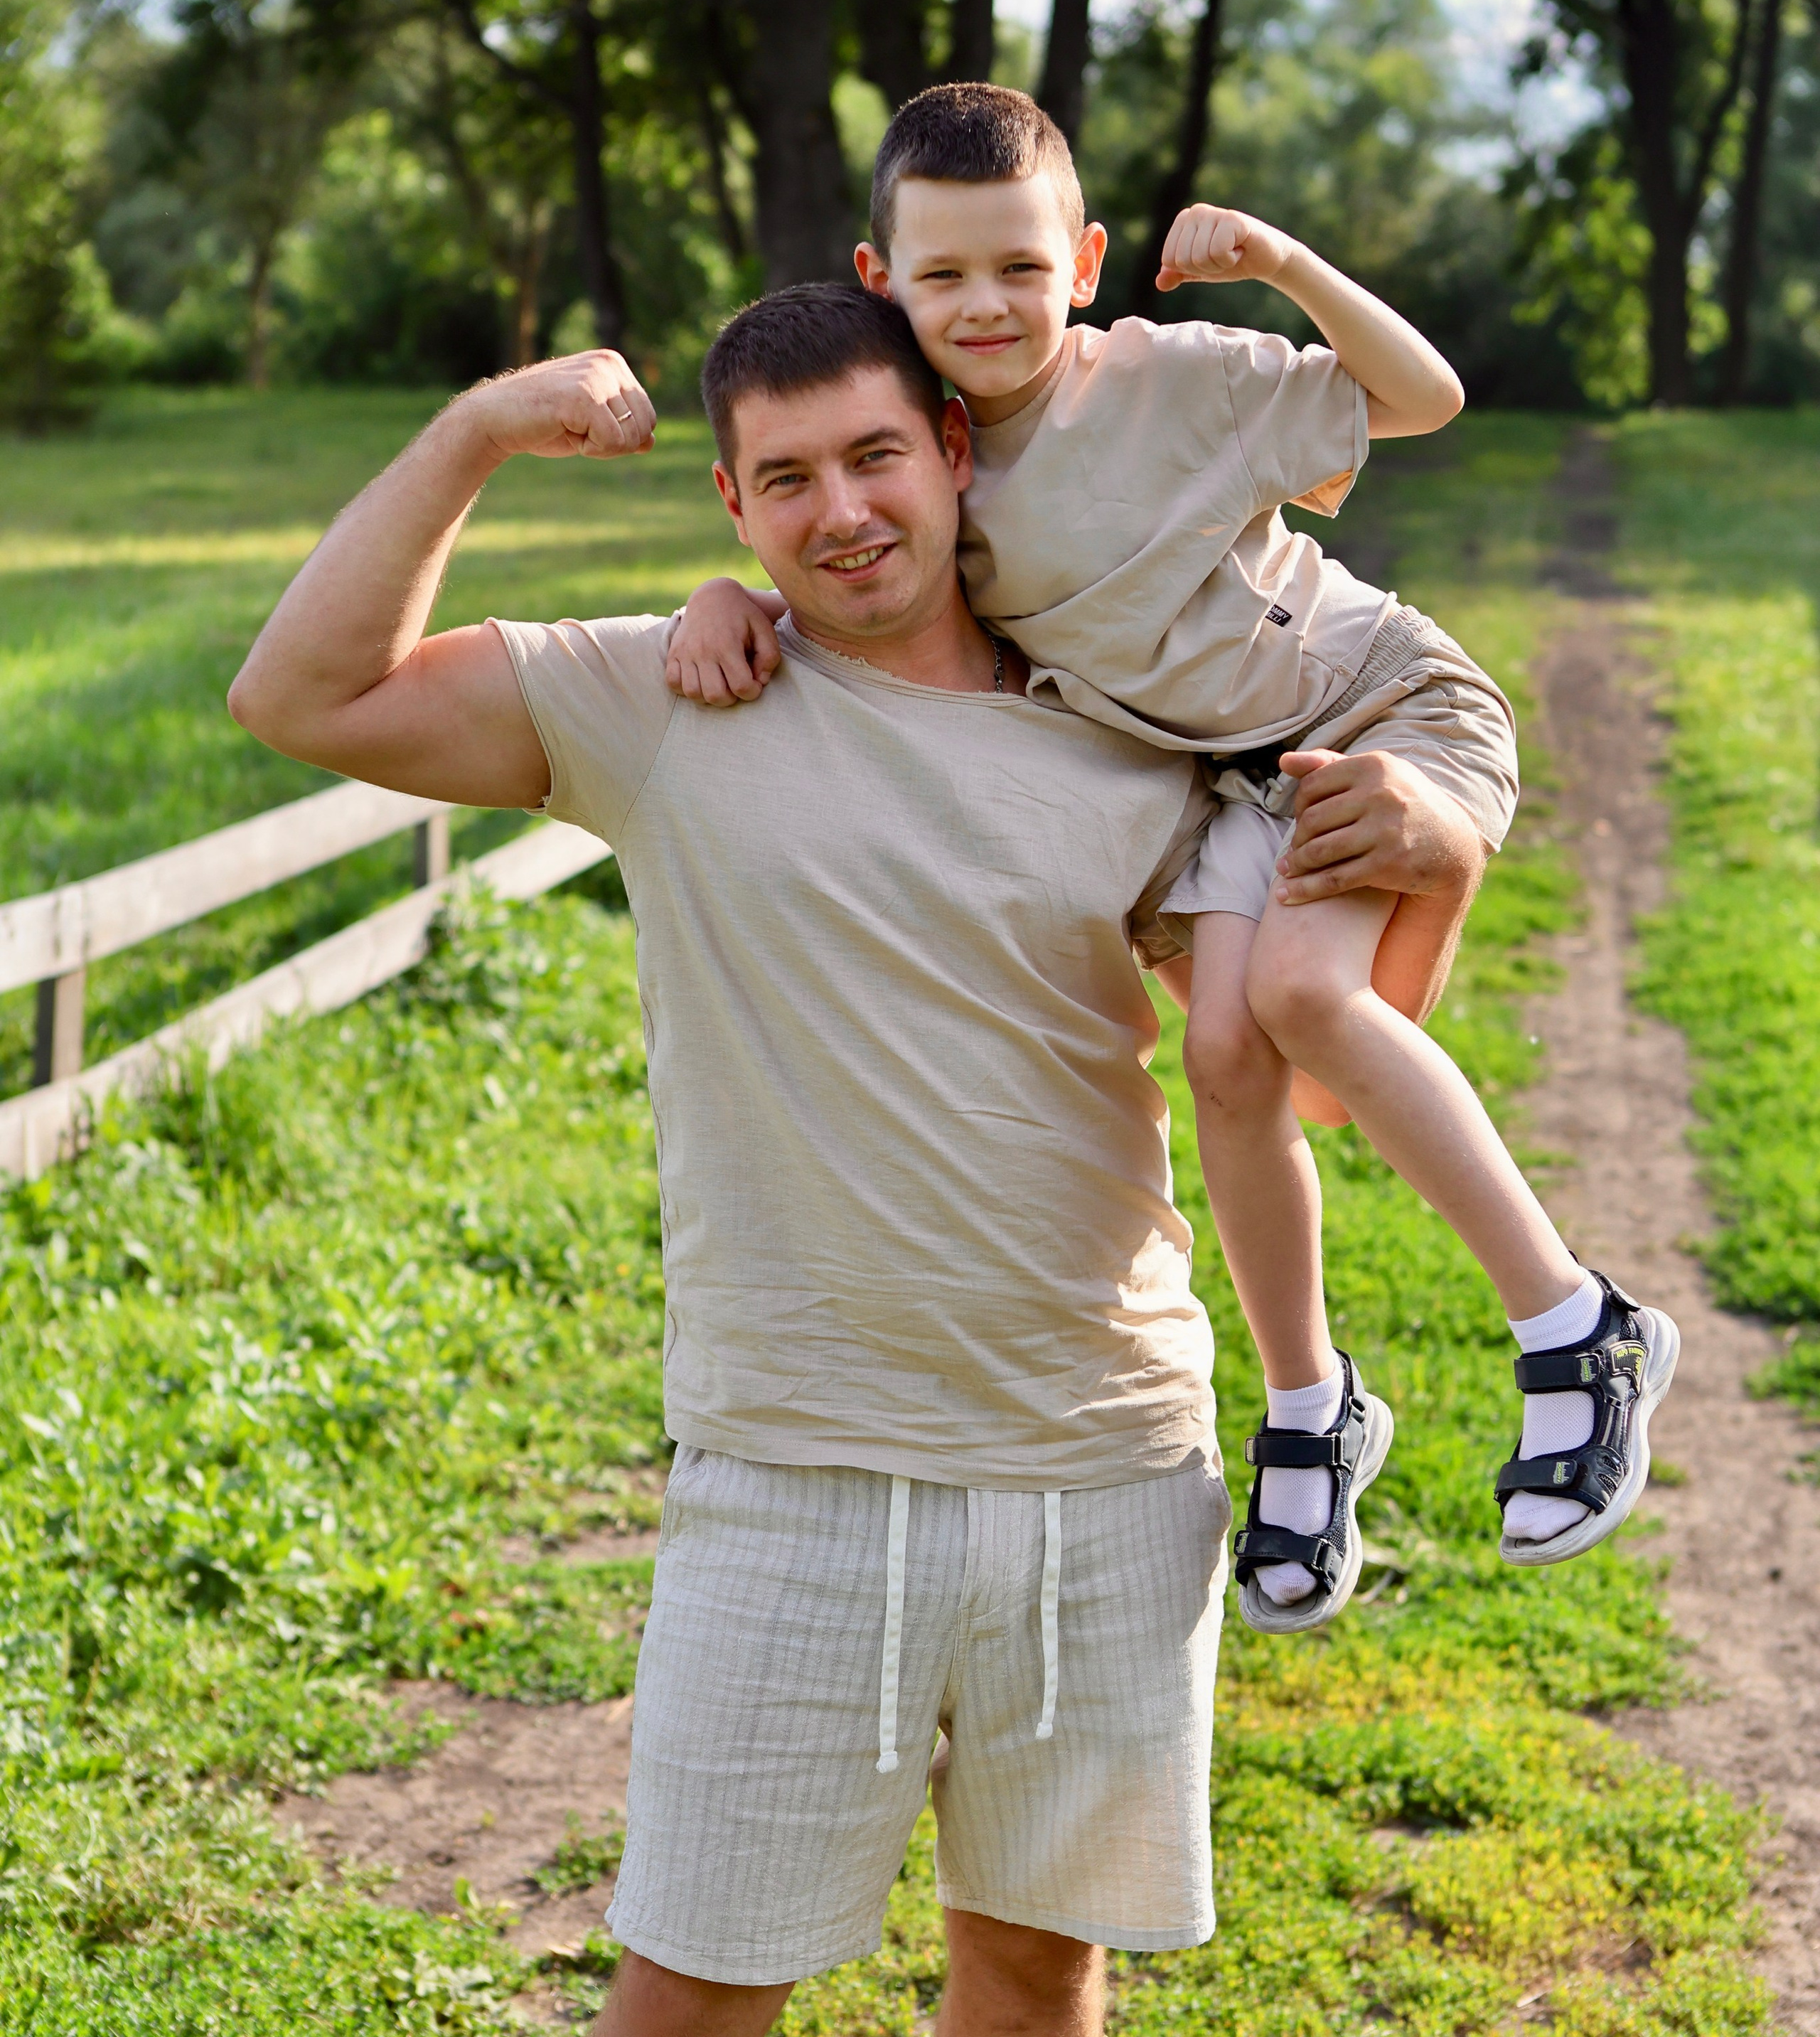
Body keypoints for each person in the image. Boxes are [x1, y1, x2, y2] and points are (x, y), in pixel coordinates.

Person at [226, 288, 1478, 2037]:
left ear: (956, 453)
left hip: (1104, 1463)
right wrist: (474, 428)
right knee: (686, 2004)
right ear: (729, 501)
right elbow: (302, 697)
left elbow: (1305, 1082)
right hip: (795, 1476)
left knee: (1037, 1979)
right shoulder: (660, 700)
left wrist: (1437, 860)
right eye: (787, 480)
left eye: (878, 456)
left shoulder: (1139, 736)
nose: (843, 513)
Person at [669, 82, 1679, 1632]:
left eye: (1018, 266)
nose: (985, 305)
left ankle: (1573, 1323)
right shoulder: (931, 455)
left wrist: (1281, 261)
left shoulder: (1170, 383)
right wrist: (716, 602)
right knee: (1219, 1054)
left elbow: (1419, 400)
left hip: (1381, 704)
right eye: (942, 277)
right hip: (1236, 785)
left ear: (1080, 260)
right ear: (884, 284)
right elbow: (841, 560)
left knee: (1311, 1010)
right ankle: (1310, 1405)